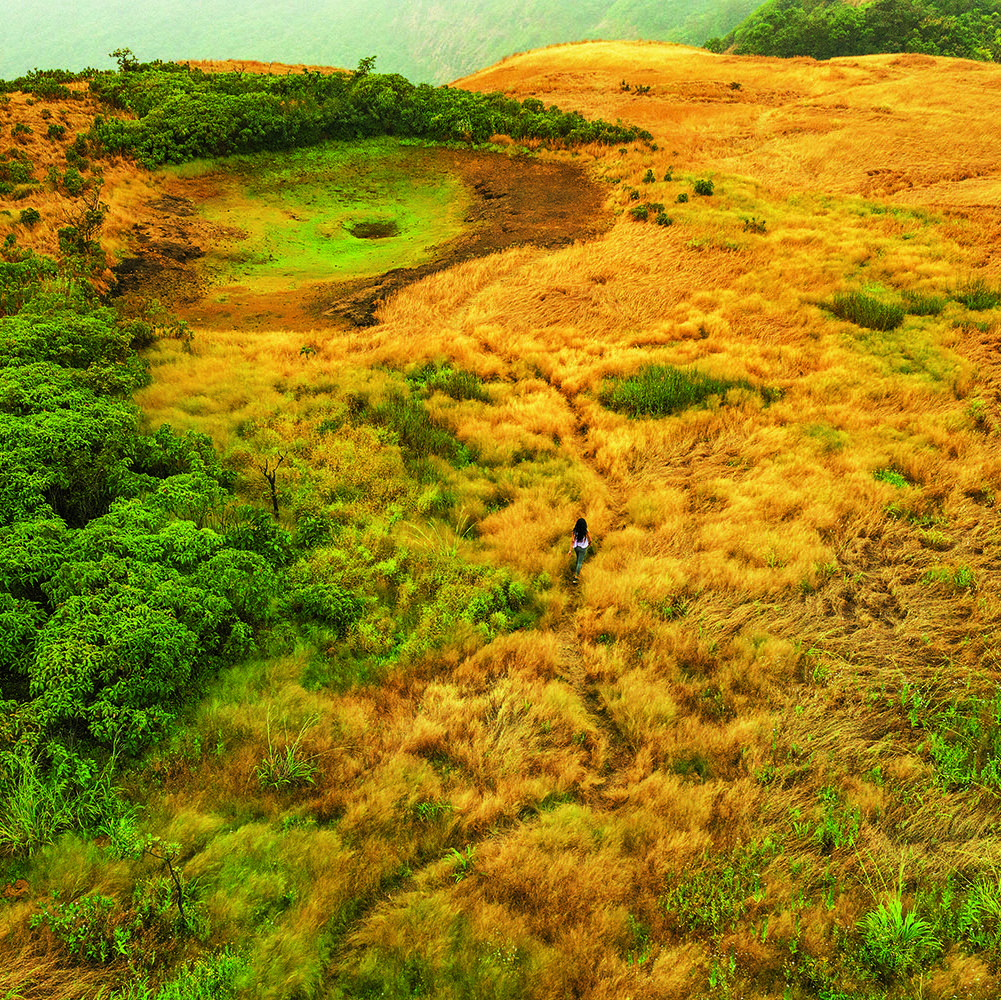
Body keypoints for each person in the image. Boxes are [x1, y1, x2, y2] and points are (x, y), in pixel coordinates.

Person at [568, 517, 591, 583]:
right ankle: (576, 577)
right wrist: (589, 543)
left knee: (578, 559)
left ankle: (577, 571)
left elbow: (572, 541)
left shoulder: (574, 531)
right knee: (580, 562)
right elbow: (590, 538)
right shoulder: (586, 531)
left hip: (576, 547)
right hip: (583, 548)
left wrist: (570, 550)